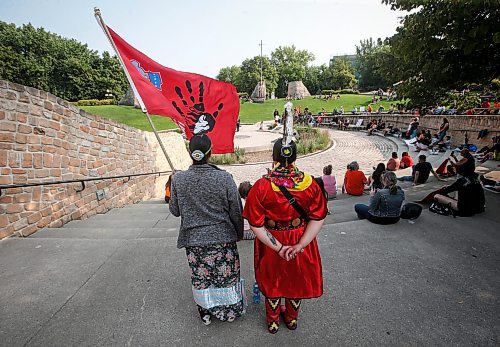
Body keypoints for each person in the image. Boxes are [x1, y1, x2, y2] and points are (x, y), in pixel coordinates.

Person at [243, 138, 327, 334]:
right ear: (296, 156)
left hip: (272, 239)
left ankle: (273, 321)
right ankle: (291, 318)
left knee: (273, 280)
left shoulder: (261, 187)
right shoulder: (310, 184)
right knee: (296, 279)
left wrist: (279, 247)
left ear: (273, 157)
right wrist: (300, 245)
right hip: (300, 237)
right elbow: (317, 218)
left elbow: (255, 224)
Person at [169, 134, 245, 325]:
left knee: (202, 278)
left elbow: (175, 211)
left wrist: (173, 183)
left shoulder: (179, 179)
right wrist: (239, 233)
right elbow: (237, 210)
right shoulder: (225, 178)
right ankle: (228, 312)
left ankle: (205, 312)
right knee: (226, 277)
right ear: (210, 153)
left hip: (194, 240)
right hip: (223, 238)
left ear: (190, 153)